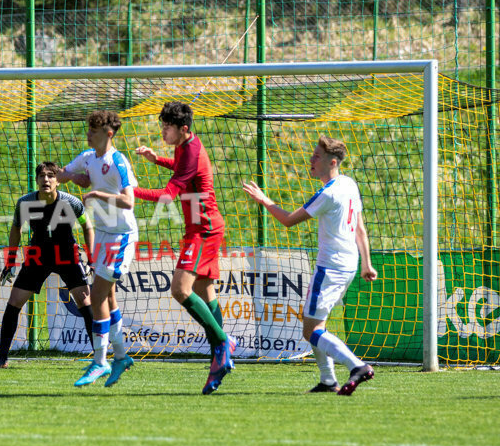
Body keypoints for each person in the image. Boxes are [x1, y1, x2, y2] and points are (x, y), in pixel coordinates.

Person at [242, 135, 378, 395]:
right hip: (348, 264)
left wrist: (264, 200)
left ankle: (357, 366)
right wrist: (366, 264)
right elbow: (360, 228)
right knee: (318, 323)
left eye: (317, 157)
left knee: (310, 330)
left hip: (330, 268)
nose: (311, 160)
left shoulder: (329, 193)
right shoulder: (349, 184)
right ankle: (328, 380)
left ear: (333, 162)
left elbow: (288, 220)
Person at [133, 101, 235, 395]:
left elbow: (167, 196)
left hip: (203, 229)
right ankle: (220, 354)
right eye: (162, 125)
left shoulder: (190, 148)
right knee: (206, 292)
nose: (162, 131)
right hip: (201, 226)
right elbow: (183, 169)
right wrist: (158, 160)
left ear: (184, 129)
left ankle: (222, 344)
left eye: (167, 127)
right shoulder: (185, 145)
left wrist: (129, 191)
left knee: (180, 289)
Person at [58, 110, 139, 387]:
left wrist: (96, 194)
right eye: (88, 129)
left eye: (93, 130)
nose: (88, 133)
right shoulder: (89, 157)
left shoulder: (118, 161)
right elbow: (76, 176)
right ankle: (121, 357)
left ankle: (100, 361)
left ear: (109, 133)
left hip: (121, 235)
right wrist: (60, 175)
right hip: (104, 233)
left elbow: (129, 201)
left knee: (98, 295)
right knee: (109, 297)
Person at [0, 161, 95, 369]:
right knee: (13, 304)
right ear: (37, 180)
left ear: (57, 181)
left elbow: (87, 227)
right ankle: (2, 358)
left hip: (67, 255)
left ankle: (100, 358)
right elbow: (16, 229)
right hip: (38, 256)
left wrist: (92, 258)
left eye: (50, 176)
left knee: (85, 304)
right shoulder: (25, 202)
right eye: (42, 176)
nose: (46, 180)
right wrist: (10, 261)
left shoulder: (71, 202)